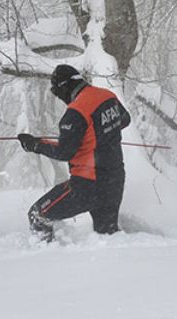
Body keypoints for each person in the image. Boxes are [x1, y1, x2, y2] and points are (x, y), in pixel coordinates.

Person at [18, 65, 130, 242]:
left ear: (64, 87)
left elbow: (64, 153)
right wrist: (100, 135)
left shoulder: (76, 112)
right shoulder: (107, 96)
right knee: (107, 238)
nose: (59, 97)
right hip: (115, 180)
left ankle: (46, 258)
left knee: (38, 215)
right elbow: (125, 120)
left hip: (87, 185)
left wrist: (35, 145)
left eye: (56, 91)